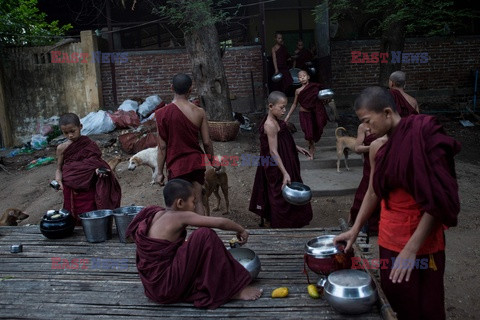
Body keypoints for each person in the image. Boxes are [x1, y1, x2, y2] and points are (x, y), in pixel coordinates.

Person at [335, 86, 460, 320]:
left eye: (368, 122)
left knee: (427, 304)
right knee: (397, 299)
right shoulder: (376, 147)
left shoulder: (423, 135)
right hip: (390, 236)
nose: (366, 129)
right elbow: (373, 191)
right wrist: (354, 228)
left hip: (424, 241)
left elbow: (437, 198)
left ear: (387, 113)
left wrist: (411, 248)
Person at [125, 179, 262, 309]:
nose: (195, 206)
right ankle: (234, 291)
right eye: (193, 202)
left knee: (191, 242)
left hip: (153, 288)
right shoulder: (179, 215)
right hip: (167, 287)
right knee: (204, 235)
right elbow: (220, 222)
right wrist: (241, 229)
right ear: (179, 203)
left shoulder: (155, 213)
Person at [155, 73, 218, 215]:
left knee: (177, 205)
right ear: (190, 89)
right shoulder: (199, 112)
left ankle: (181, 236)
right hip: (195, 163)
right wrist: (212, 161)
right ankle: (201, 234)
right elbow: (207, 142)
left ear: (171, 88)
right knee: (198, 201)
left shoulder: (161, 114)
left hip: (176, 165)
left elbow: (162, 147)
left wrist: (159, 172)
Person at [249, 91, 313, 228]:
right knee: (279, 191)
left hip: (285, 158)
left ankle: (293, 218)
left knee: (290, 187)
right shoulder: (269, 125)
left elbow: (282, 139)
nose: (284, 110)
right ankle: (280, 222)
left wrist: (296, 147)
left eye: (285, 107)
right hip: (275, 163)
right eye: (281, 107)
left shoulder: (277, 120)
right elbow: (272, 150)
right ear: (271, 106)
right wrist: (284, 172)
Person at [55, 113, 121, 224]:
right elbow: (59, 169)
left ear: (80, 127)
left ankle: (93, 230)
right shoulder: (61, 148)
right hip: (70, 188)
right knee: (71, 214)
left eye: (73, 131)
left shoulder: (90, 145)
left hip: (88, 186)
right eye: (66, 133)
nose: (70, 135)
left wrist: (98, 171)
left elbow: (95, 163)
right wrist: (58, 180)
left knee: (90, 212)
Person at [284, 70, 328, 159]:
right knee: (308, 135)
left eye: (304, 76)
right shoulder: (298, 91)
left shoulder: (315, 87)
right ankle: (311, 149)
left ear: (308, 77)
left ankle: (311, 146)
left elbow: (322, 97)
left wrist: (326, 100)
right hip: (304, 114)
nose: (302, 78)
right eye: (300, 77)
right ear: (298, 80)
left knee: (314, 131)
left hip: (314, 113)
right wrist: (288, 116)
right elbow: (294, 104)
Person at [348, 123, 380, 235]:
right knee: (363, 194)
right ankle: (359, 224)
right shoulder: (362, 126)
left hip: (383, 162)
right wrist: (373, 147)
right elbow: (357, 148)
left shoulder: (386, 123)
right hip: (369, 164)